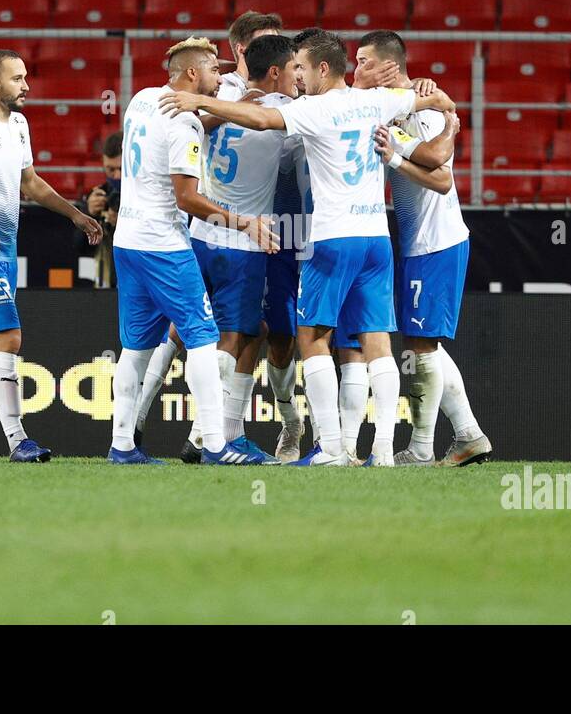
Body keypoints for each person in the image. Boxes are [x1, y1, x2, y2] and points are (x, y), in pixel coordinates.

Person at [160, 29, 456, 467]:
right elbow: (438, 102)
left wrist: (199, 101)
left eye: (300, 66)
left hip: (332, 239)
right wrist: (431, 96)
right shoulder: (377, 100)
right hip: (376, 238)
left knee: (312, 337)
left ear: (322, 68)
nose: (296, 75)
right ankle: (383, 453)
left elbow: (260, 120)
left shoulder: (316, 109)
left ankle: (333, 449)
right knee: (378, 342)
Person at [108, 37, 279, 465]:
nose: (220, 77)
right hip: (165, 245)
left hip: (128, 241)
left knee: (136, 346)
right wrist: (245, 222)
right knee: (204, 338)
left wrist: (214, 119)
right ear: (191, 74)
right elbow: (186, 199)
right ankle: (216, 445)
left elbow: (176, 131)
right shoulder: (182, 125)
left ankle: (122, 446)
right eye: (213, 70)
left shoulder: (143, 100)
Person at [0, 49, 103, 462]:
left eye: (25, 77)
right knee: (8, 338)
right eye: (17, 78)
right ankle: (18, 441)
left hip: (4, 250)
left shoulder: (20, 124)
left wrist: (75, 214)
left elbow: (30, 182)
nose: (26, 86)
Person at [358, 30, 493, 467]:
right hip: (421, 244)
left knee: (419, 349)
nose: (355, 68)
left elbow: (441, 176)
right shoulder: (406, 105)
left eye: (363, 61)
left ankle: (420, 448)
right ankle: (469, 435)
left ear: (389, 66)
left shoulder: (427, 112)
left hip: (437, 242)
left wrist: (395, 156)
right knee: (423, 344)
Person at [75, 132, 122, 288]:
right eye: (110, 169)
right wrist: (89, 214)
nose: (116, 176)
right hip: (106, 283)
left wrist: (122, 224)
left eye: (121, 169)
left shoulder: (145, 196)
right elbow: (78, 247)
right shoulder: (99, 196)